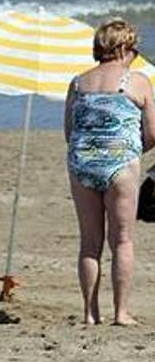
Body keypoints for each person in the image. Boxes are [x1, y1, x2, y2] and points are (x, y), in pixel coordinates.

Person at [65, 18, 155, 325]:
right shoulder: (138, 81)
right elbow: (152, 132)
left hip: (82, 161)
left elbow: (70, 130)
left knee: (90, 242)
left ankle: (90, 313)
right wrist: (131, 150)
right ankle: (120, 312)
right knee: (123, 240)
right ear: (124, 48)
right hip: (120, 164)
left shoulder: (77, 83)